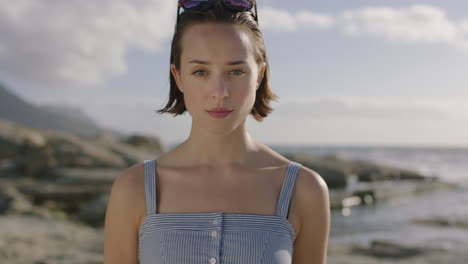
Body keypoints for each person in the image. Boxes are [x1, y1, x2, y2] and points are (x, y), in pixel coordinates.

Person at [103, 1, 330, 263]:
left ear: (259, 75)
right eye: (200, 71)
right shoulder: (134, 188)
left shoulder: (305, 189)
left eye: (236, 71)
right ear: (178, 77)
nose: (220, 92)